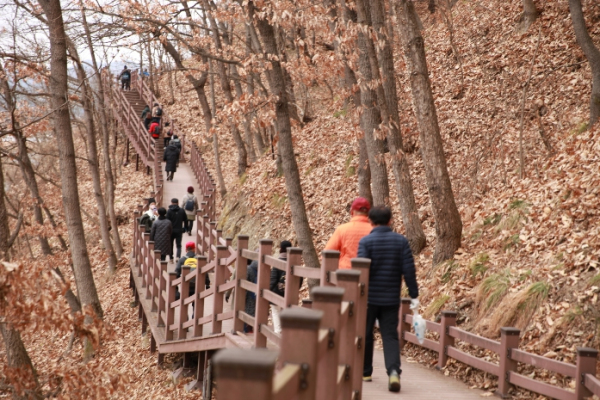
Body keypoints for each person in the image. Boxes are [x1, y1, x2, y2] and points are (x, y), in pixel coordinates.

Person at [358, 206, 419, 393]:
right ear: (390, 221)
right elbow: (409, 270)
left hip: (368, 298)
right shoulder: (400, 241)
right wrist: (414, 294)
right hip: (391, 298)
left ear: (370, 221)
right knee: (390, 335)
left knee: (366, 333)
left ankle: (366, 372)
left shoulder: (366, 242)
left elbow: (361, 271)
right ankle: (393, 371)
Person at [325, 197, 372, 269]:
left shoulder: (342, 229)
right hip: (368, 274)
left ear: (352, 211)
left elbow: (328, 252)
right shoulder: (374, 230)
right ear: (368, 213)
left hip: (345, 273)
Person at [269, 240, 292, 334]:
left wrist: (266, 291)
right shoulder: (293, 262)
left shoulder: (277, 262)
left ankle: (278, 331)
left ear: (281, 249)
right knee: (286, 312)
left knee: (275, 312)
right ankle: (287, 331)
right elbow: (300, 279)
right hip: (289, 292)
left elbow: (273, 280)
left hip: (277, 292)